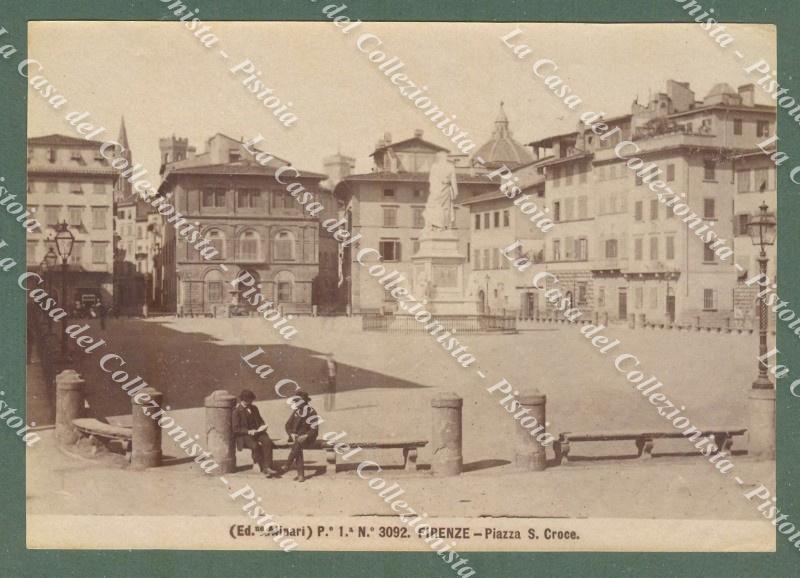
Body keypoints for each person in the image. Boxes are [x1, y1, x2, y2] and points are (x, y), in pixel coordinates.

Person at [232, 389, 278, 477]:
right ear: (243, 400)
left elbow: (260, 421)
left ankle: (268, 467)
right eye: (249, 400)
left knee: (267, 442)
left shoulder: (254, 408)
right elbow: (235, 429)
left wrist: (263, 426)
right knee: (255, 446)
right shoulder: (236, 411)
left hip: (257, 432)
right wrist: (248, 431)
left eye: (251, 400)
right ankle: (262, 465)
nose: (251, 402)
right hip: (244, 436)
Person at [283, 390, 319, 482]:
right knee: (297, 444)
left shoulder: (311, 412)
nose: (296, 403)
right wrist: (291, 433)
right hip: (297, 438)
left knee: (298, 444)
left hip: (309, 438)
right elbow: (287, 425)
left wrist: (306, 436)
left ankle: (289, 464)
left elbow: (314, 429)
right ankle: (300, 475)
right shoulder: (296, 411)